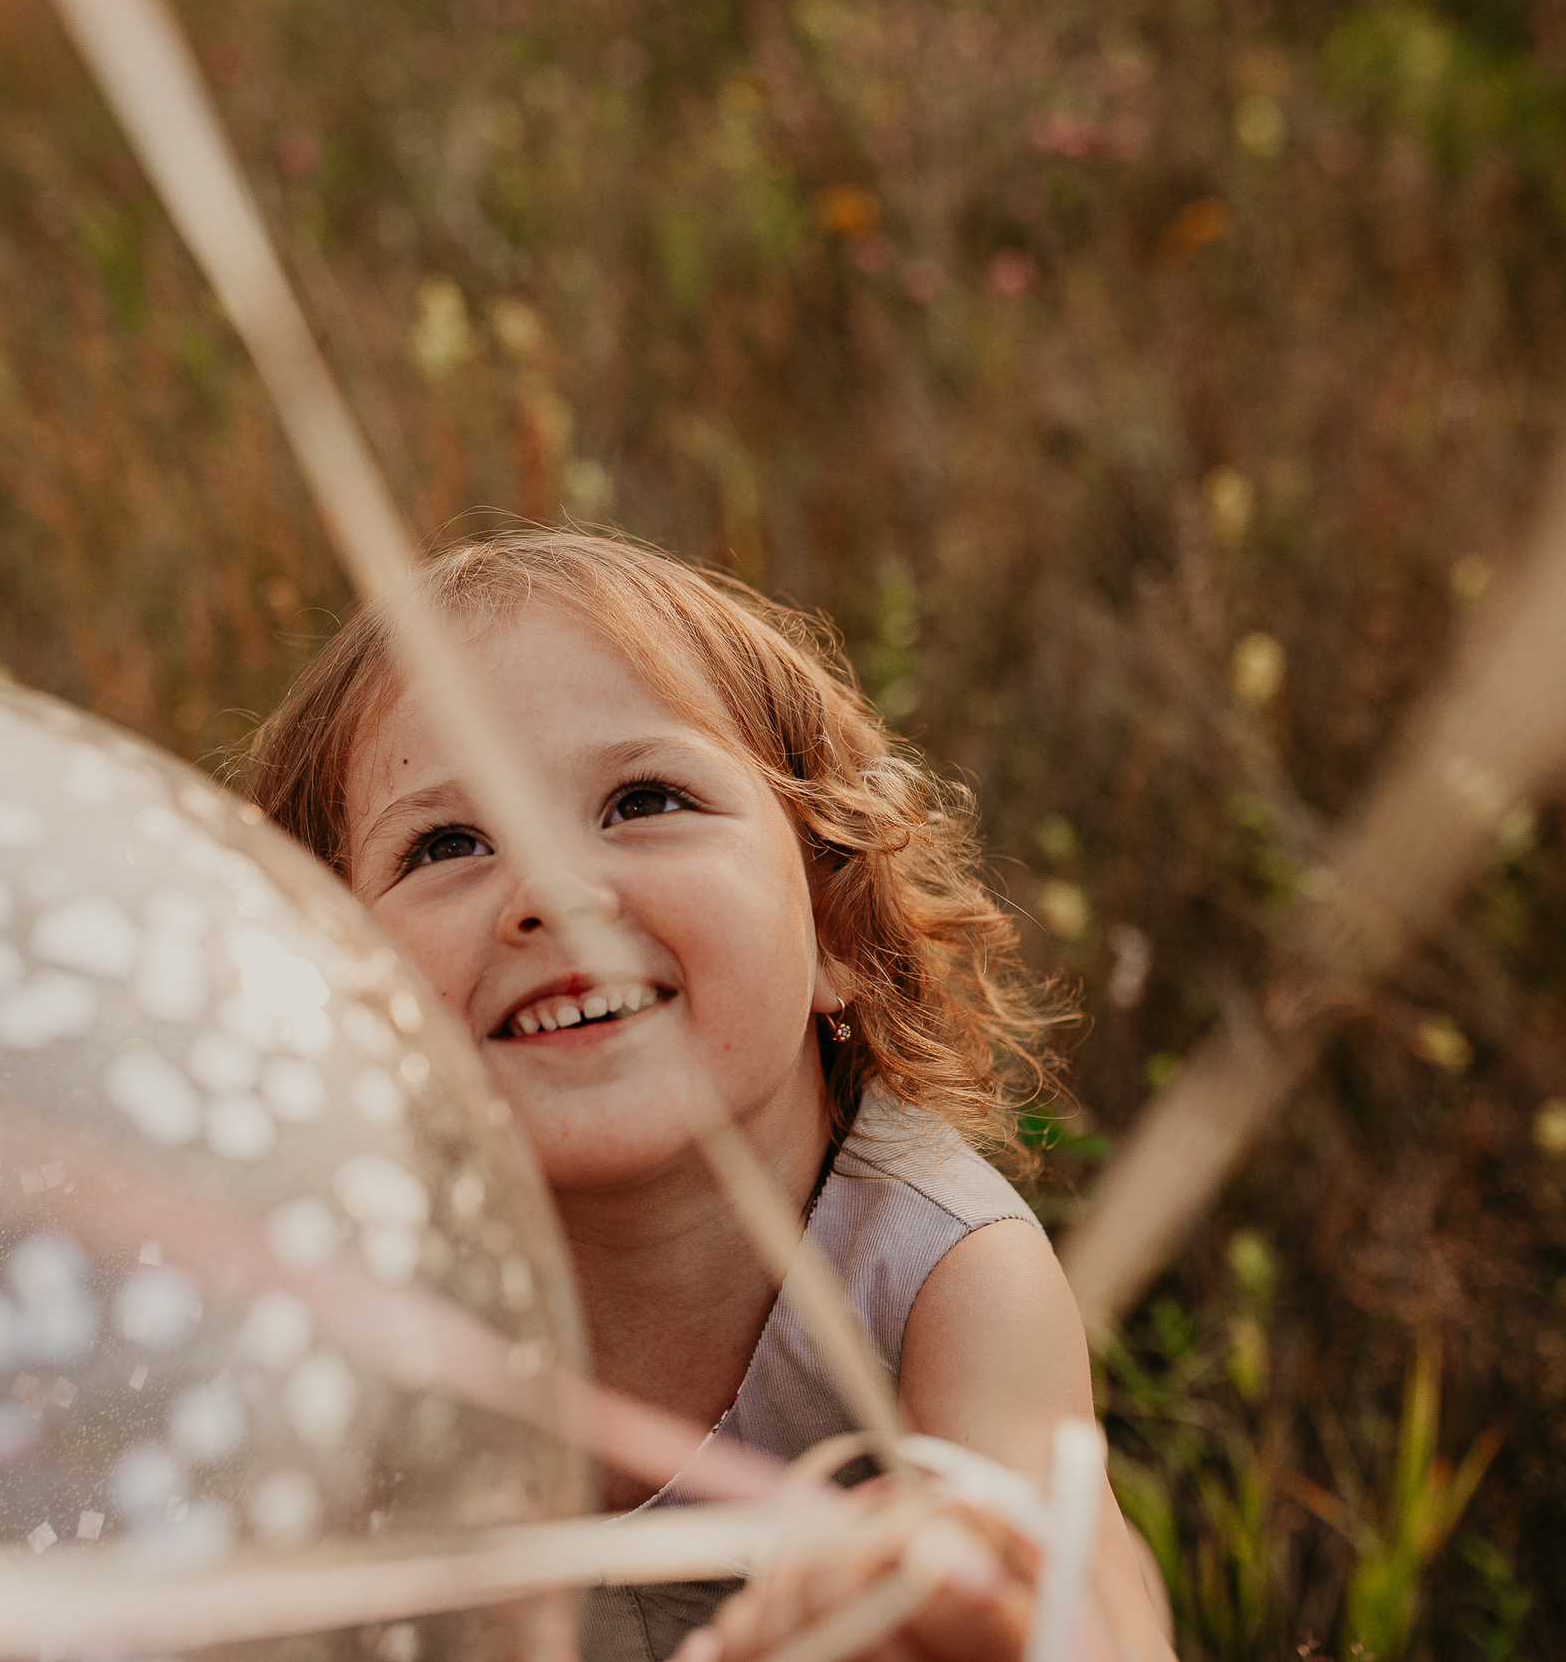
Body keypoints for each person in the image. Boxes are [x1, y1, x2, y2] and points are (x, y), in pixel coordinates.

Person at [245, 530, 1173, 1661]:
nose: (549, 891)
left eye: (643, 801)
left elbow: (1073, 1576)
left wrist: (983, 1605)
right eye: (446, 842)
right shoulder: (348, 1282)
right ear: (340, 986)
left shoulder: (932, 1263)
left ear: (837, 924)